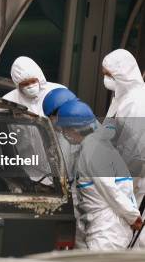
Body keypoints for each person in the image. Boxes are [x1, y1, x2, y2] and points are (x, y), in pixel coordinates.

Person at [57, 99, 142, 249]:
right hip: (105, 230)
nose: (64, 134)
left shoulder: (92, 151)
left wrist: (133, 217)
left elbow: (110, 189)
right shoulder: (94, 145)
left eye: (64, 129)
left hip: (106, 233)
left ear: (74, 129)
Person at [102, 49, 145, 205]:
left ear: (123, 75)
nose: (106, 79)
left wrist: (119, 189)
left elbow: (135, 154)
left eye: (109, 75)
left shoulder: (137, 102)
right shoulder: (121, 98)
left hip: (131, 185)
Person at [42, 88, 85, 247]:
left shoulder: (81, 130)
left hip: (83, 196)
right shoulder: (59, 130)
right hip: (72, 193)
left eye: (53, 116)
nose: (52, 120)